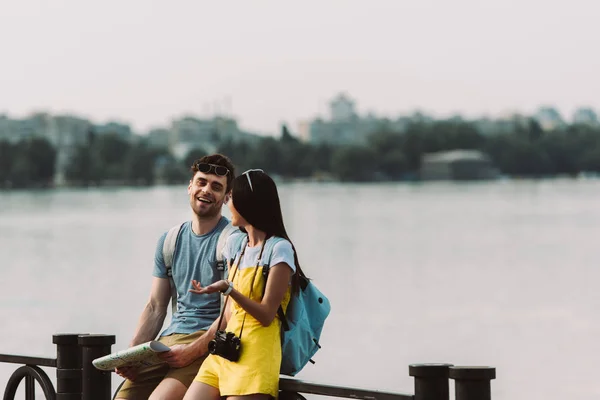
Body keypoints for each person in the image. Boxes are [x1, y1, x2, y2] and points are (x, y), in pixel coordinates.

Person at [115, 154, 237, 400]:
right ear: (190, 187)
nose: (206, 190)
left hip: (207, 343)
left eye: (216, 187)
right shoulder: (170, 240)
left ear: (226, 197)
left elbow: (232, 312)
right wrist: (132, 355)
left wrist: (192, 351)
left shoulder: (233, 241)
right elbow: (155, 307)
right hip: (167, 342)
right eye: (201, 182)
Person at [183, 169, 305, 400]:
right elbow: (229, 313)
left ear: (249, 204)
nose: (228, 204)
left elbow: (267, 314)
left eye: (232, 199)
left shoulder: (279, 250)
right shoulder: (235, 244)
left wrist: (229, 290)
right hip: (226, 349)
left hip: (256, 355)